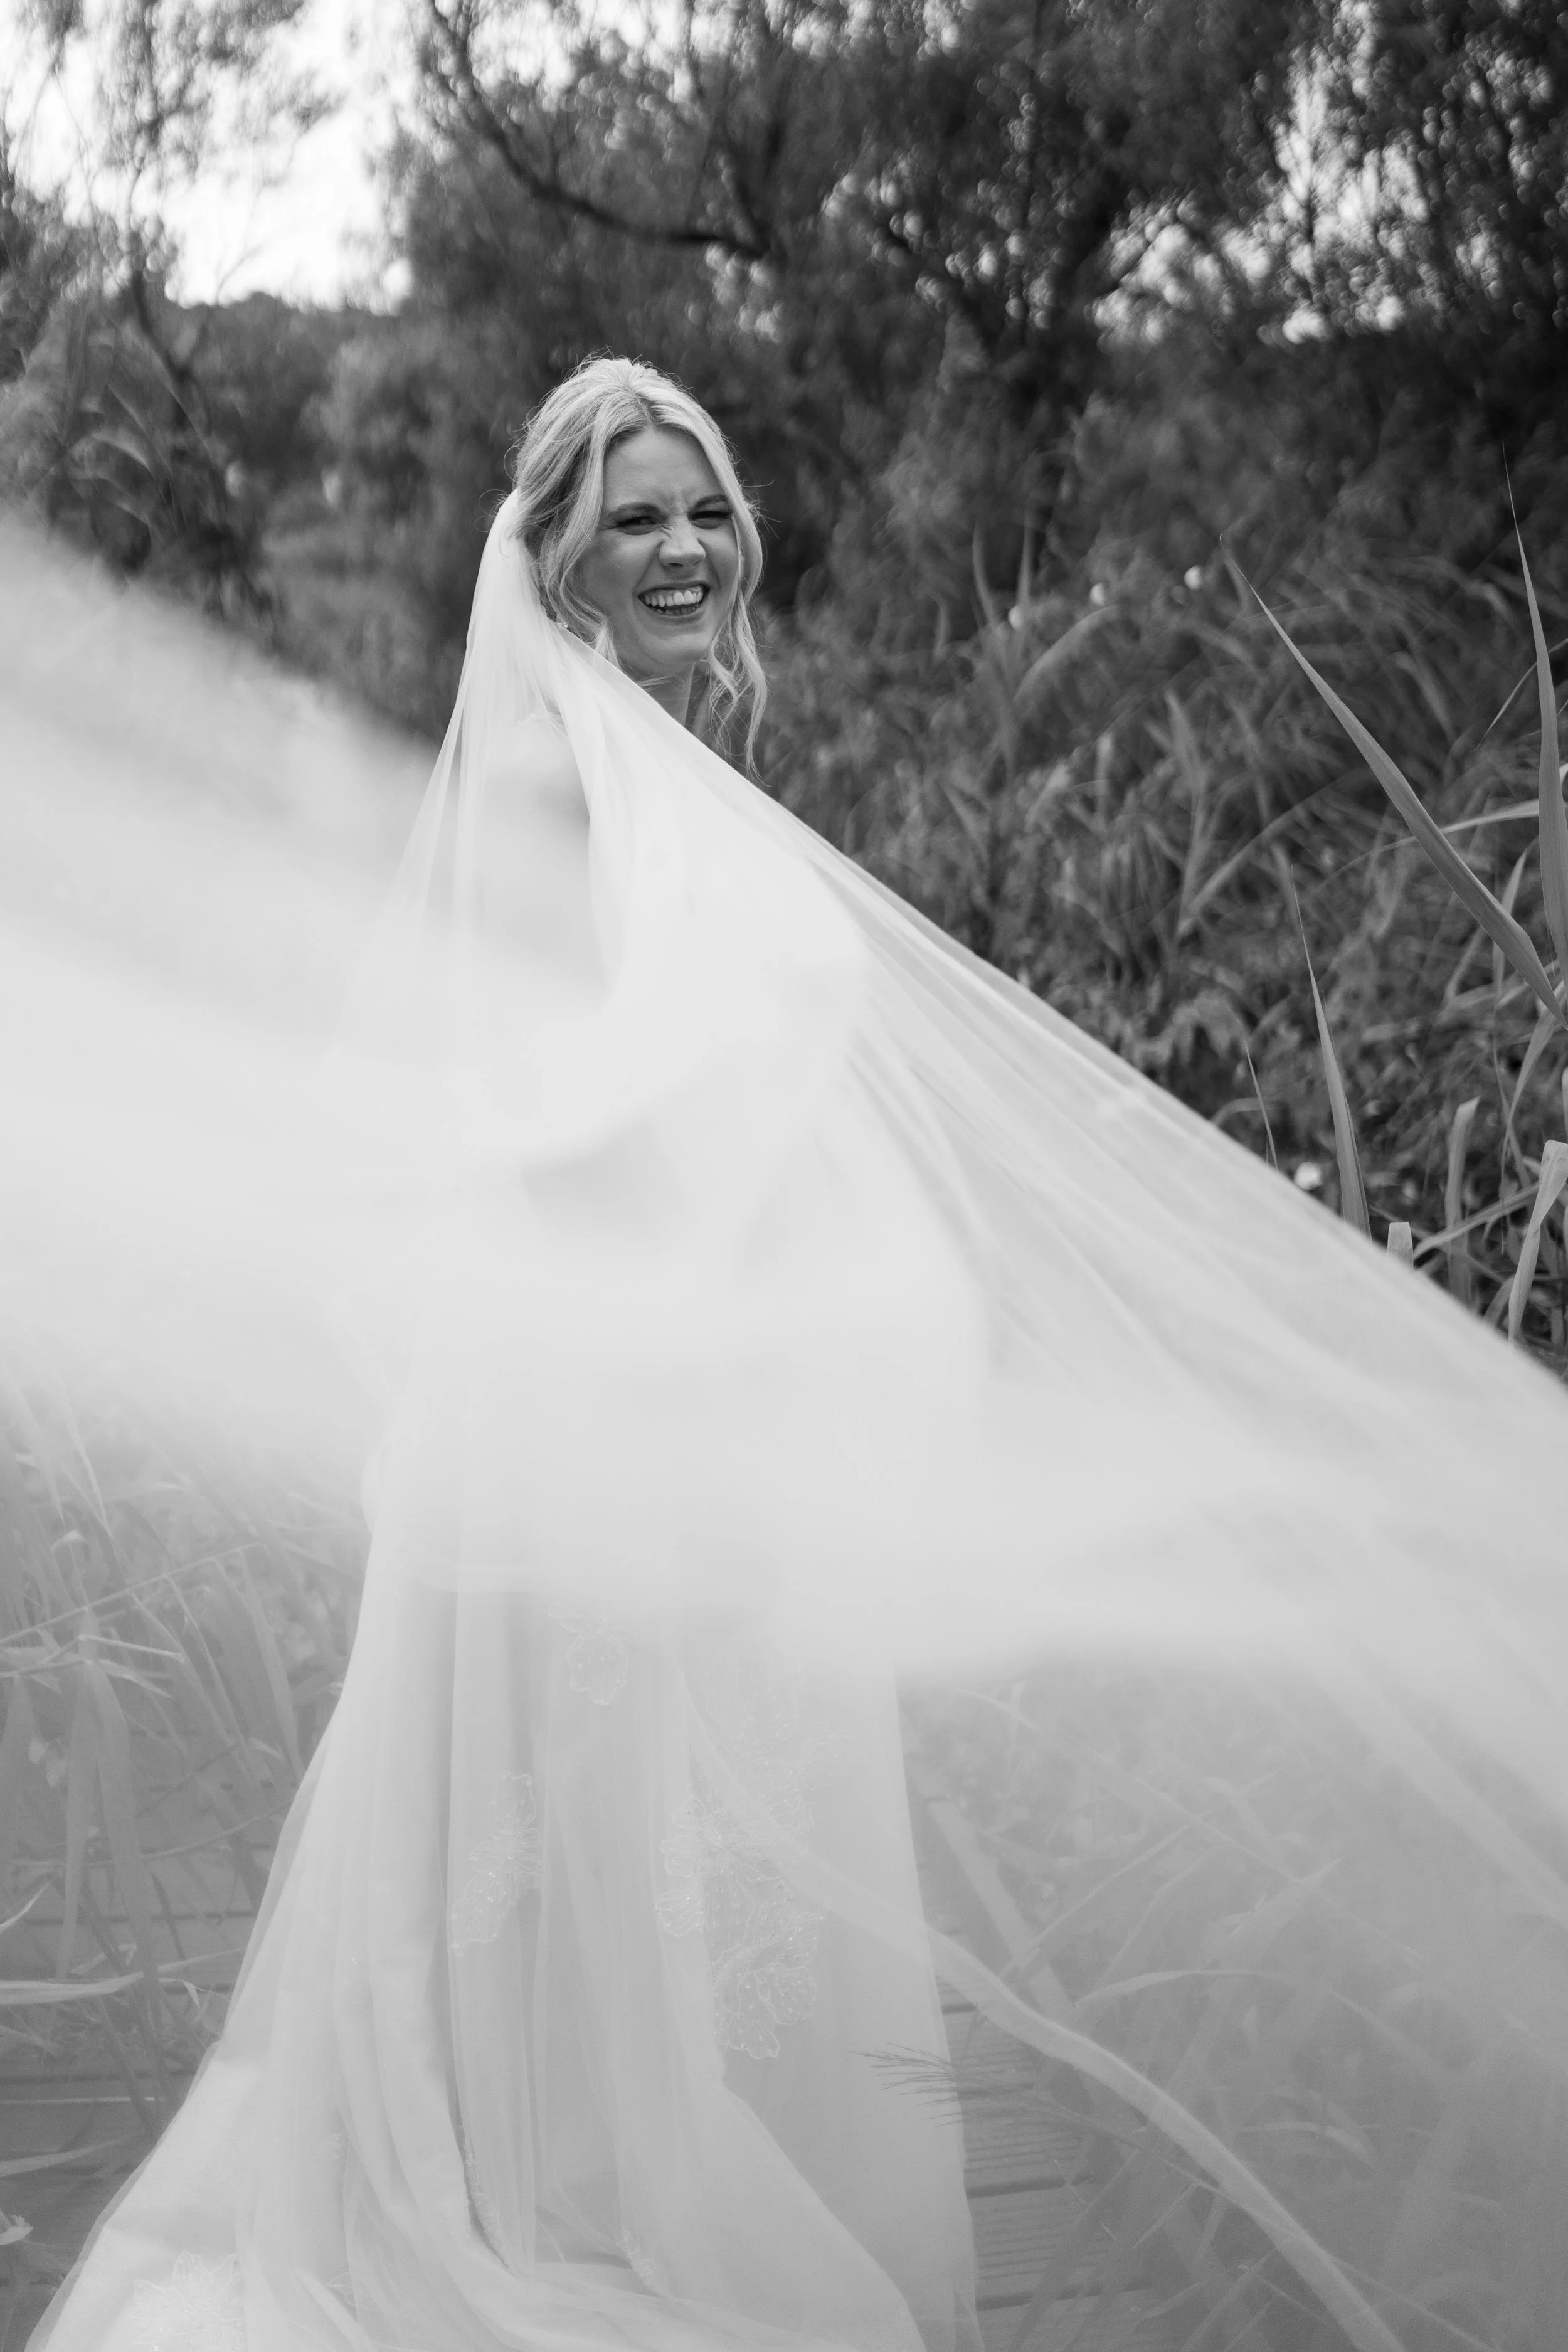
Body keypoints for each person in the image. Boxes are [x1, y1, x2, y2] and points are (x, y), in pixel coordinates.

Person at [22, 356, 1568, 2352]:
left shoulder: (640, 755)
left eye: (703, 508)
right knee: (563, 1833)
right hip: (573, 1418)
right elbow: (509, 1102)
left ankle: (573, 2184)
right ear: (554, 551)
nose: (681, 545)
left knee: (599, 1841)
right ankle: (544, 2216)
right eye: (635, 513)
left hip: (631, 1403)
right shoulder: (546, 777)